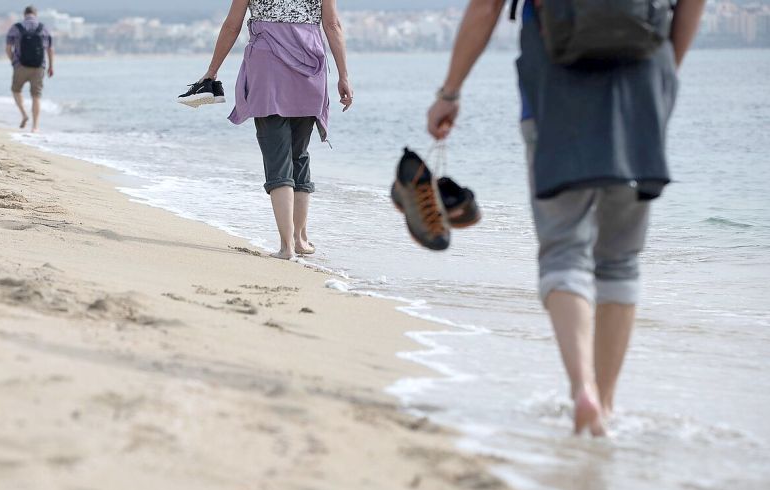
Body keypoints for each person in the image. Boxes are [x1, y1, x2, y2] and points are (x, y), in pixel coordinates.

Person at [422, 0, 707, 436]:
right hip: (644, 79)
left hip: (552, 86)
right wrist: (664, 73)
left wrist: (450, 92)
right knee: (620, 258)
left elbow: (485, 8)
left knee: (564, 247)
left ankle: (582, 390)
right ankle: (605, 405)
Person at [199, 0, 352, 260]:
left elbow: (231, 25)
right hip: (309, 66)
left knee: (277, 154)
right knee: (299, 154)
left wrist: (211, 72)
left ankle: (287, 247)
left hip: (267, 69)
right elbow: (332, 25)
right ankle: (300, 240)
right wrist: (344, 76)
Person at [6, 5, 55, 132]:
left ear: (24, 14)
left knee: (16, 90)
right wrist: (51, 66)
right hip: (39, 67)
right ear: (36, 14)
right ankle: (35, 127)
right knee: (36, 96)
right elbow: (50, 49)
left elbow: (8, 48)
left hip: (20, 66)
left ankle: (24, 114)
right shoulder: (44, 28)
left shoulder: (16, 27)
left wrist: (14, 62)